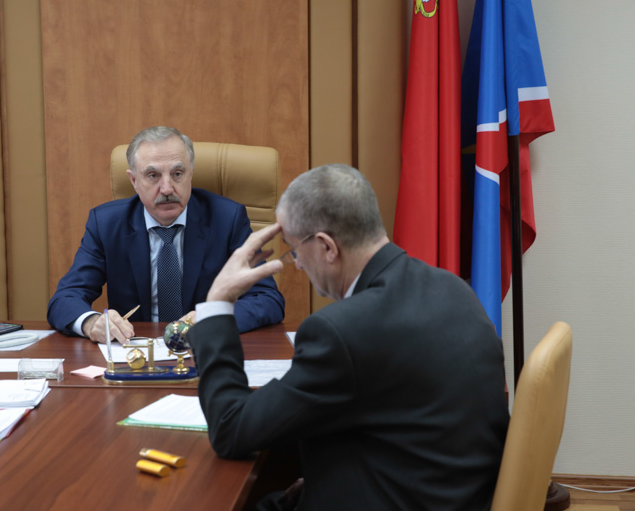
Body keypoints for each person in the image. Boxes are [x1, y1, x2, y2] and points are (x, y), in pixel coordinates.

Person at [188, 164, 509, 510]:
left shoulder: (341, 331)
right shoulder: (453, 288)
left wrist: (218, 302)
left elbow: (230, 429)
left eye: (294, 250)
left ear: (327, 247)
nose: (298, 264)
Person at [47, 126, 284, 343]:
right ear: (134, 181)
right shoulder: (106, 224)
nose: (168, 188)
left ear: (191, 174)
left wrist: (212, 316)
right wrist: (90, 323)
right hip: (136, 354)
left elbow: (267, 299)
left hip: (204, 348)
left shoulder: (227, 219)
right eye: (153, 176)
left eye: (178, 173)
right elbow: (65, 298)